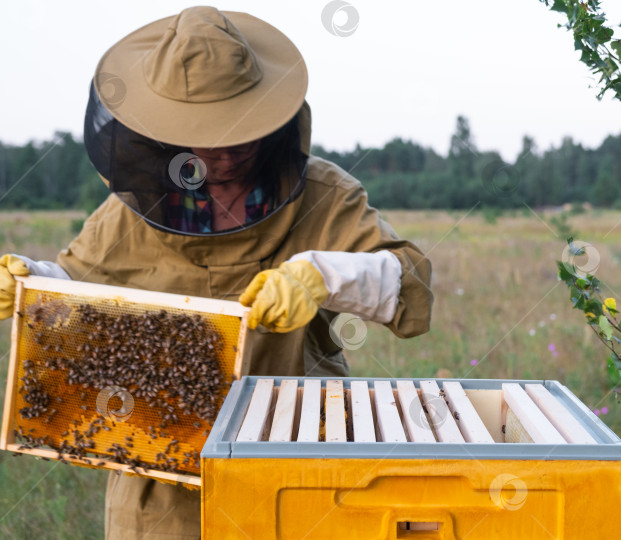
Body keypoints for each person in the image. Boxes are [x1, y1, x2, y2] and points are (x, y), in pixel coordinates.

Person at [0, 6, 433, 539]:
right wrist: (31, 283)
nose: (225, 150)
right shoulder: (127, 213)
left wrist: (322, 275)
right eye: (205, 132)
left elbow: (409, 281)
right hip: (159, 495)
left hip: (296, 474)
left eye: (239, 127)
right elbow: (77, 287)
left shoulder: (326, 196)